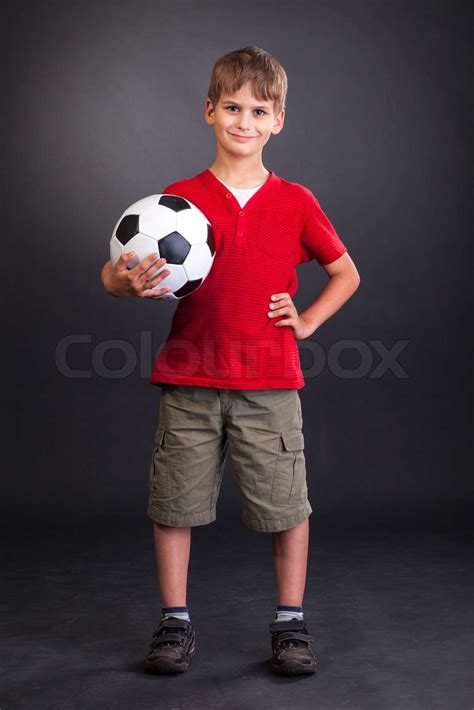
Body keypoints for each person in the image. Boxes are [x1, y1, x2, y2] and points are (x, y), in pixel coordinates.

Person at [101, 46, 360, 676]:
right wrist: (122, 283)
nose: (245, 120)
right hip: (188, 379)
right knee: (173, 506)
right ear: (209, 111)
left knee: (287, 508)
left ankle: (290, 624)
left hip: (269, 384)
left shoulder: (295, 201)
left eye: (259, 110)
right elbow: (114, 272)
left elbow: (346, 273)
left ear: (278, 121)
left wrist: (306, 322)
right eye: (233, 107)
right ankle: (174, 622)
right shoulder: (176, 203)